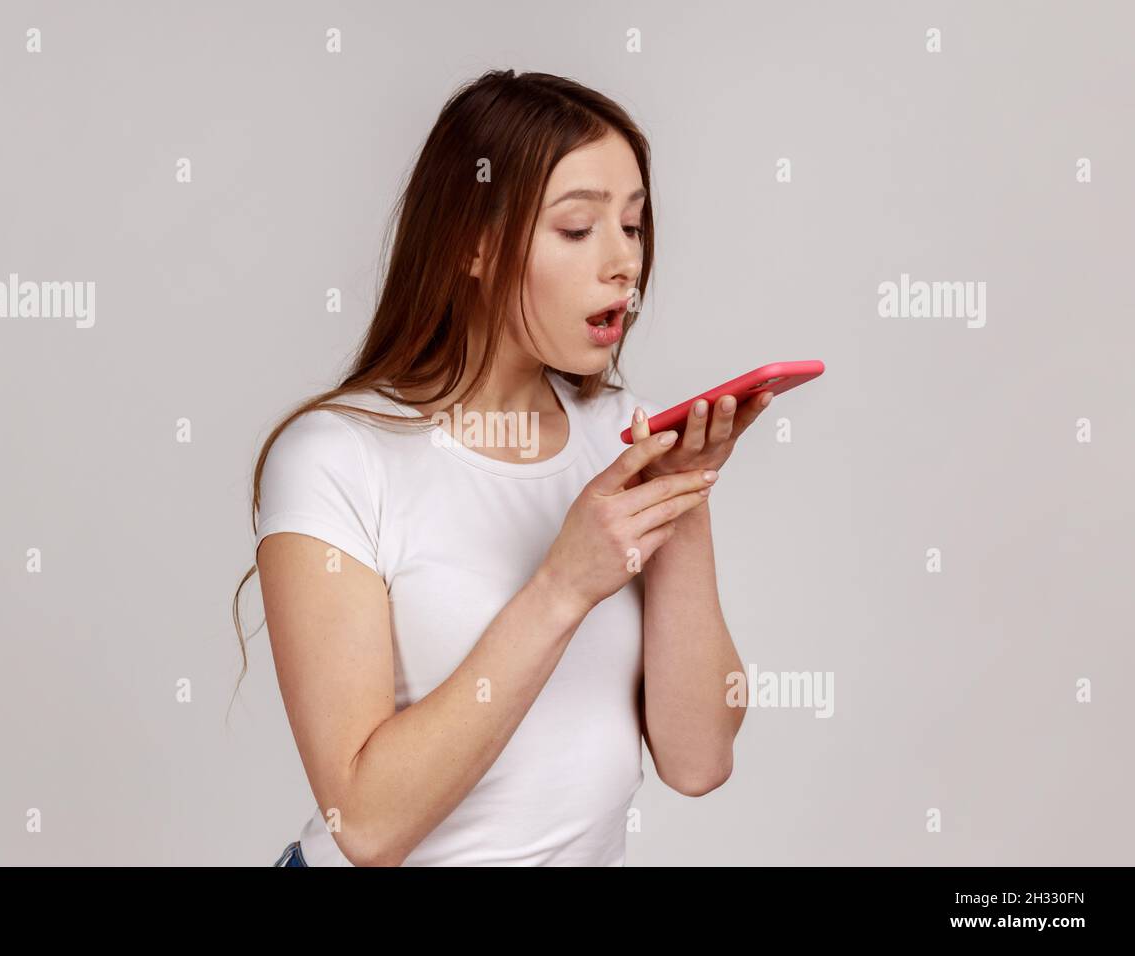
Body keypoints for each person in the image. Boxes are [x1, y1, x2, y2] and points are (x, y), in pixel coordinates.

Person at [235, 69, 774, 867]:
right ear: (473, 244)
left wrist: (682, 499)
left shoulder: (615, 439)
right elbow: (368, 825)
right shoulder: (336, 458)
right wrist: (563, 584)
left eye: (633, 226)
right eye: (576, 228)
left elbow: (699, 762)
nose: (624, 262)